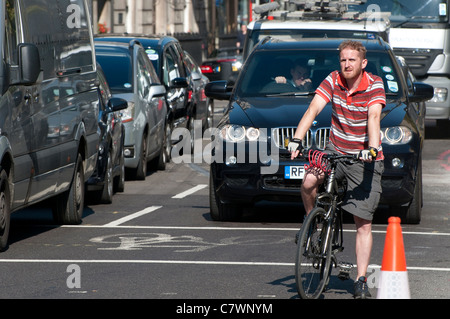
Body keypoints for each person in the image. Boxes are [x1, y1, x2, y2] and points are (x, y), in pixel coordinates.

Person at [287, 40, 385, 299]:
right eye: (343, 60)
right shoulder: (333, 79)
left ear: (363, 63)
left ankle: (361, 280)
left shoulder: (374, 84)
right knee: (308, 181)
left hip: (365, 157)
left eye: (352, 60)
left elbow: (374, 117)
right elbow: (313, 108)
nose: (347, 64)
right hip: (335, 149)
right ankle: (313, 224)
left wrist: (372, 149)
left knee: (362, 222)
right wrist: (297, 139)